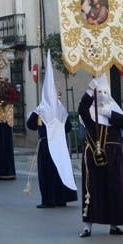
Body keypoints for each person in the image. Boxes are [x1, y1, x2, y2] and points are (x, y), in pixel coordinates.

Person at [78, 75, 123, 237]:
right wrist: (89, 91)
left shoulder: (114, 110)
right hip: (93, 156)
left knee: (115, 189)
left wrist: (109, 113)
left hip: (114, 157)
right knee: (91, 190)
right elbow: (82, 109)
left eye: (104, 91)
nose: (102, 94)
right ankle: (87, 226)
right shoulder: (89, 112)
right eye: (98, 91)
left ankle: (114, 225)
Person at [26, 51, 77, 208]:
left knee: (47, 173)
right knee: (60, 170)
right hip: (60, 145)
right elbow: (68, 127)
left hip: (46, 146)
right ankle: (62, 198)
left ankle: (49, 200)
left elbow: (30, 125)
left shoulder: (41, 109)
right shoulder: (61, 109)